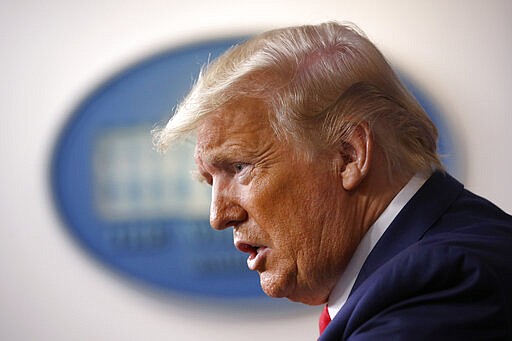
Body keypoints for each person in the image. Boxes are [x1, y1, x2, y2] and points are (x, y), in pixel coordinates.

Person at [153, 22, 512, 340]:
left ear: (349, 155)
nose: (219, 216)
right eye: (209, 181)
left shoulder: (444, 286)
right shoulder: (423, 267)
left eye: (239, 167)